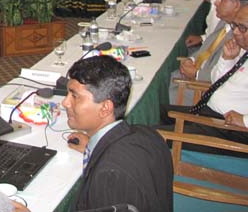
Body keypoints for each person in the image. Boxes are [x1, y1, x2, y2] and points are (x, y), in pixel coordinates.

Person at [14, 56, 173, 212]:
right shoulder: (145, 133)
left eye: (74, 96)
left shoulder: (110, 175)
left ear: (105, 108)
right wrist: (94, 148)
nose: (65, 103)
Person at [159, 2, 248, 153]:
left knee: (151, 136)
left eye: (243, 28)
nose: (236, 32)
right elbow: (216, 81)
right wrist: (227, 59)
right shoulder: (243, 51)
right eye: (235, 26)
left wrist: (245, 120)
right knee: (161, 112)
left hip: (228, 130)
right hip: (210, 114)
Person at [169, 0, 248, 104]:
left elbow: (229, 76)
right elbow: (206, 49)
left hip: (203, 89)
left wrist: (196, 74)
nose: (216, 3)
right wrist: (191, 60)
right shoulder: (224, 22)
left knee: (168, 81)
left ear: (236, 5)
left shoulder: (241, 37)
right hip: (198, 74)